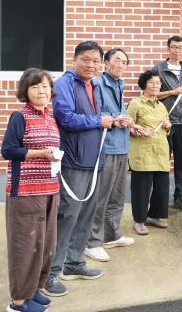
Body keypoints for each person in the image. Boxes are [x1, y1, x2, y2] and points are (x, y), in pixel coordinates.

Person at [42, 41, 114, 297]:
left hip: (93, 161)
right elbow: (65, 118)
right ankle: (49, 274)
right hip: (73, 162)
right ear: (74, 60)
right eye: (86, 59)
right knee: (67, 216)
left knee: (85, 214)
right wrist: (100, 120)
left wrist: (114, 120)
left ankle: (74, 264)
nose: (91, 65)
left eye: (96, 61)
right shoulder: (64, 84)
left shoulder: (92, 84)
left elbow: (97, 120)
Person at [1, 68, 60, 312]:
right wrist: (40, 153)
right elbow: (8, 151)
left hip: (50, 190)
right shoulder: (19, 116)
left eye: (45, 86)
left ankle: (33, 288)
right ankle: (18, 301)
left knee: (44, 244)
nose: (41, 91)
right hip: (25, 192)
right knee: (25, 246)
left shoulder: (51, 117)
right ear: (25, 91)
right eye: (35, 87)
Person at [84, 49, 135, 262]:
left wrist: (131, 122)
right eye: (117, 61)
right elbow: (93, 114)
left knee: (117, 196)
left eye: (124, 62)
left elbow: (118, 113)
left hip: (122, 146)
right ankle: (92, 242)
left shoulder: (119, 84)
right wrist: (115, 118)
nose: (121, 65)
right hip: (106, 147)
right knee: (101, 197)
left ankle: (112, 235)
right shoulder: (96, 84)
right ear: (105, 63)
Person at [153, 36, 182, 213]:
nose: (177, 51)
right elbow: (152, 95)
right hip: (165, 121)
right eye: (173, 47)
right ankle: (160, 197)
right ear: (168, 49)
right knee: (162, 160)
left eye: (180, 48)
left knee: (181, 161)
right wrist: (173, 91)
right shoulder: (159, 69)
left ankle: (180, 196)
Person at [127, 69, 172, 235]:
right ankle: (138, 220)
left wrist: (168, 126)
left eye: (158, 82)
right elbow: (127, 127)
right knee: (141, 189)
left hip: (160, 152)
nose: (156, 85)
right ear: (144, 85)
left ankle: (153, 217)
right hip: (143, 153)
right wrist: (138, 129)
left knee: (161, 188)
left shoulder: (161, 106)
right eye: (152, 82)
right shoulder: (135, 104)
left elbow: (165, 128)